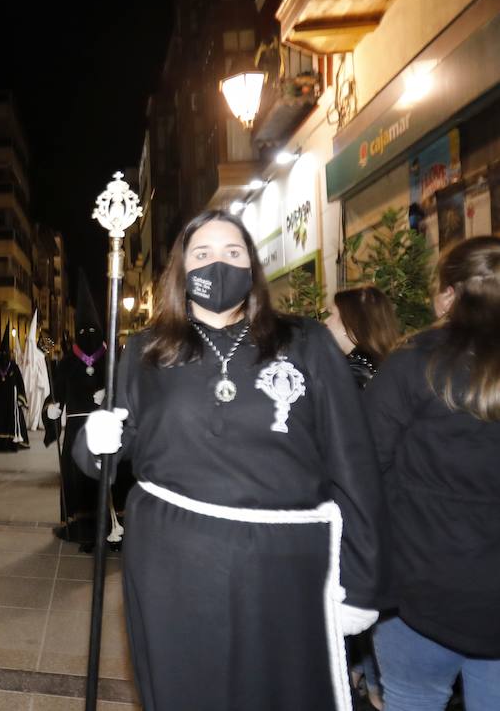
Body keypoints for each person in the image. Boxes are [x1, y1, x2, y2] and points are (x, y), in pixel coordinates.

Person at [77, 210, 385, 711]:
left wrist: (363, 581)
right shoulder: (148, 350)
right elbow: (104, 463)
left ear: (252, 266)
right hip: (173, 562)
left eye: (232, 253)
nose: (217, 264)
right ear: (181, 269)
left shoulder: (304, 342)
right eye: (202, 254)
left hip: (283, 565)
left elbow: (353, 463)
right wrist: (97, 439)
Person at [367, 235, 500, 710]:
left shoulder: (412, 363)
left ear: (447, 293)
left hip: (416, 593)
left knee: (411, 698)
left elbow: (367, 469)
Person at [322, 284, 400, 710]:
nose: (324, 323)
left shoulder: (350, 374)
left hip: (352, 516)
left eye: (331, 315)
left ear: (354, 325)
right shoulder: (394, 368)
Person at [45, 282, 112, 547]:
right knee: (75, 476)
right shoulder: (67, 363)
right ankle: (76, 523)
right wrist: (51, 407)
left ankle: (107, 524)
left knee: (100, 476)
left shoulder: (110, 361)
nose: (88, 335)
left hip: (103, 430)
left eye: (92, 331)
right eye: (83, 331)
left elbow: (126, 394)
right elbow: (56, 394)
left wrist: (109, 396)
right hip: (74, 432)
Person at [325, 286, 401, 389]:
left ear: (350, 323)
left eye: (331, 314)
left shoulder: (352, 375)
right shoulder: (387, 365)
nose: (326, 321)